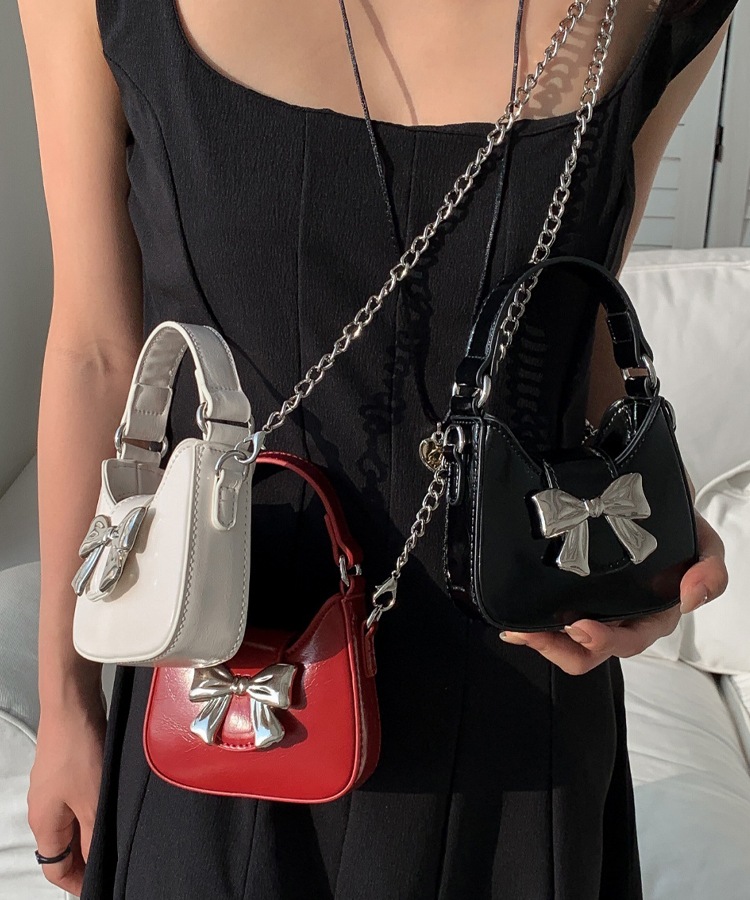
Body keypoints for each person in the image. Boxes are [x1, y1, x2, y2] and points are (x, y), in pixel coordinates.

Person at [16, 0, 736, 897]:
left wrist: (647, 542)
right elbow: (96, 349)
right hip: (225, 679)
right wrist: (68, 705)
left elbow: (571, 323)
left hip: (517, 699)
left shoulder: (660, 9)